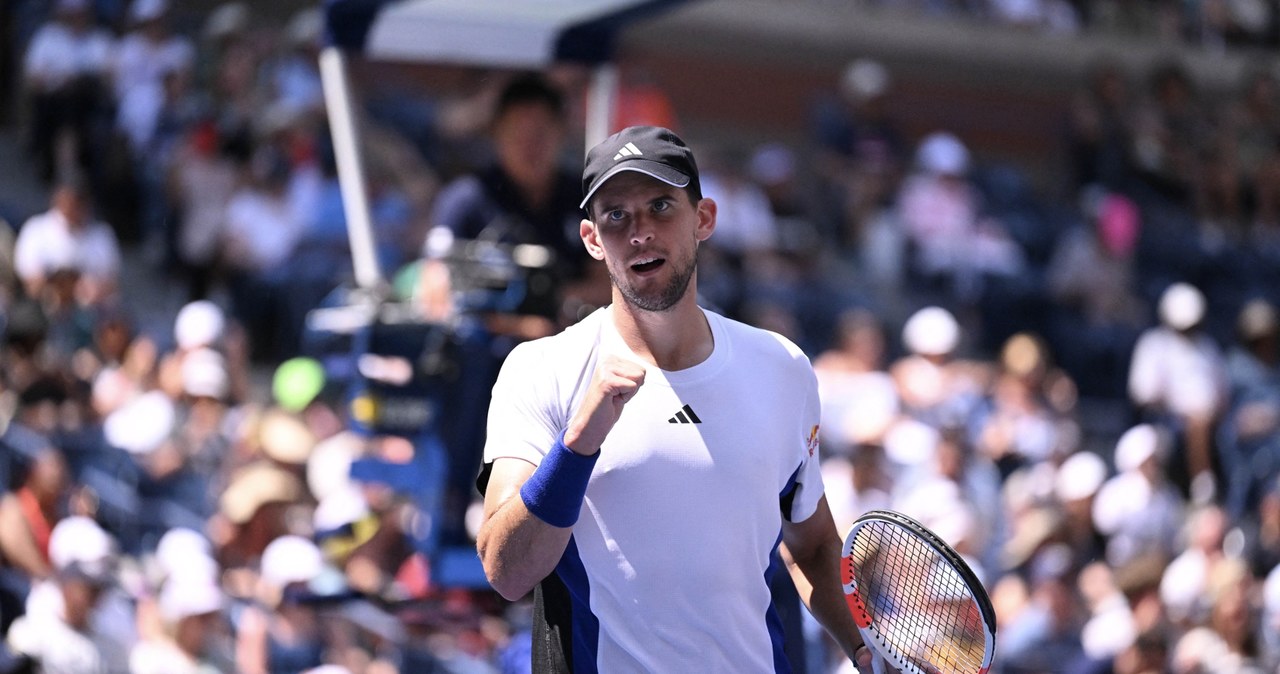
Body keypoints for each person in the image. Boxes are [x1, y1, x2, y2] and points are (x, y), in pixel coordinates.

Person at [474, 126, 867, 672]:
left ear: (703, 218)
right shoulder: (540, 369)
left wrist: (865, 648)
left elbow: (815, 544)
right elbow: (506, 570)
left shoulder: (782, 368)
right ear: (592, 239)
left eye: (661, 206)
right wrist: (577, 447)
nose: (639, 232)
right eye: (616, 215)